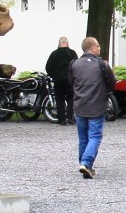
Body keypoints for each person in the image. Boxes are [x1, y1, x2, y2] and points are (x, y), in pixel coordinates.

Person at [70, 36, 116, 178]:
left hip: (79, 105)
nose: (100, 48)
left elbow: (71, 82)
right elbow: (112, 83)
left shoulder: (74, 64)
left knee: (83, 138)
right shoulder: (101, 64)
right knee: (95, 136)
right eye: (98, 46)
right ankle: (86, 162)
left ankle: (84, 165)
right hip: (96, 105)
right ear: (92, 48)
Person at [45, 37, 77, 125]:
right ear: (67, 43)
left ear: (59, 44)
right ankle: (70, 117)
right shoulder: (72, 53)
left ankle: (61, 119)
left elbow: (48, 67)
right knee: (71, 98)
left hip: (58, 80)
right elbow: (76, 65)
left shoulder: (54, 54)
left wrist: (53, 76)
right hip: (69, 79)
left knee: (59, 99)